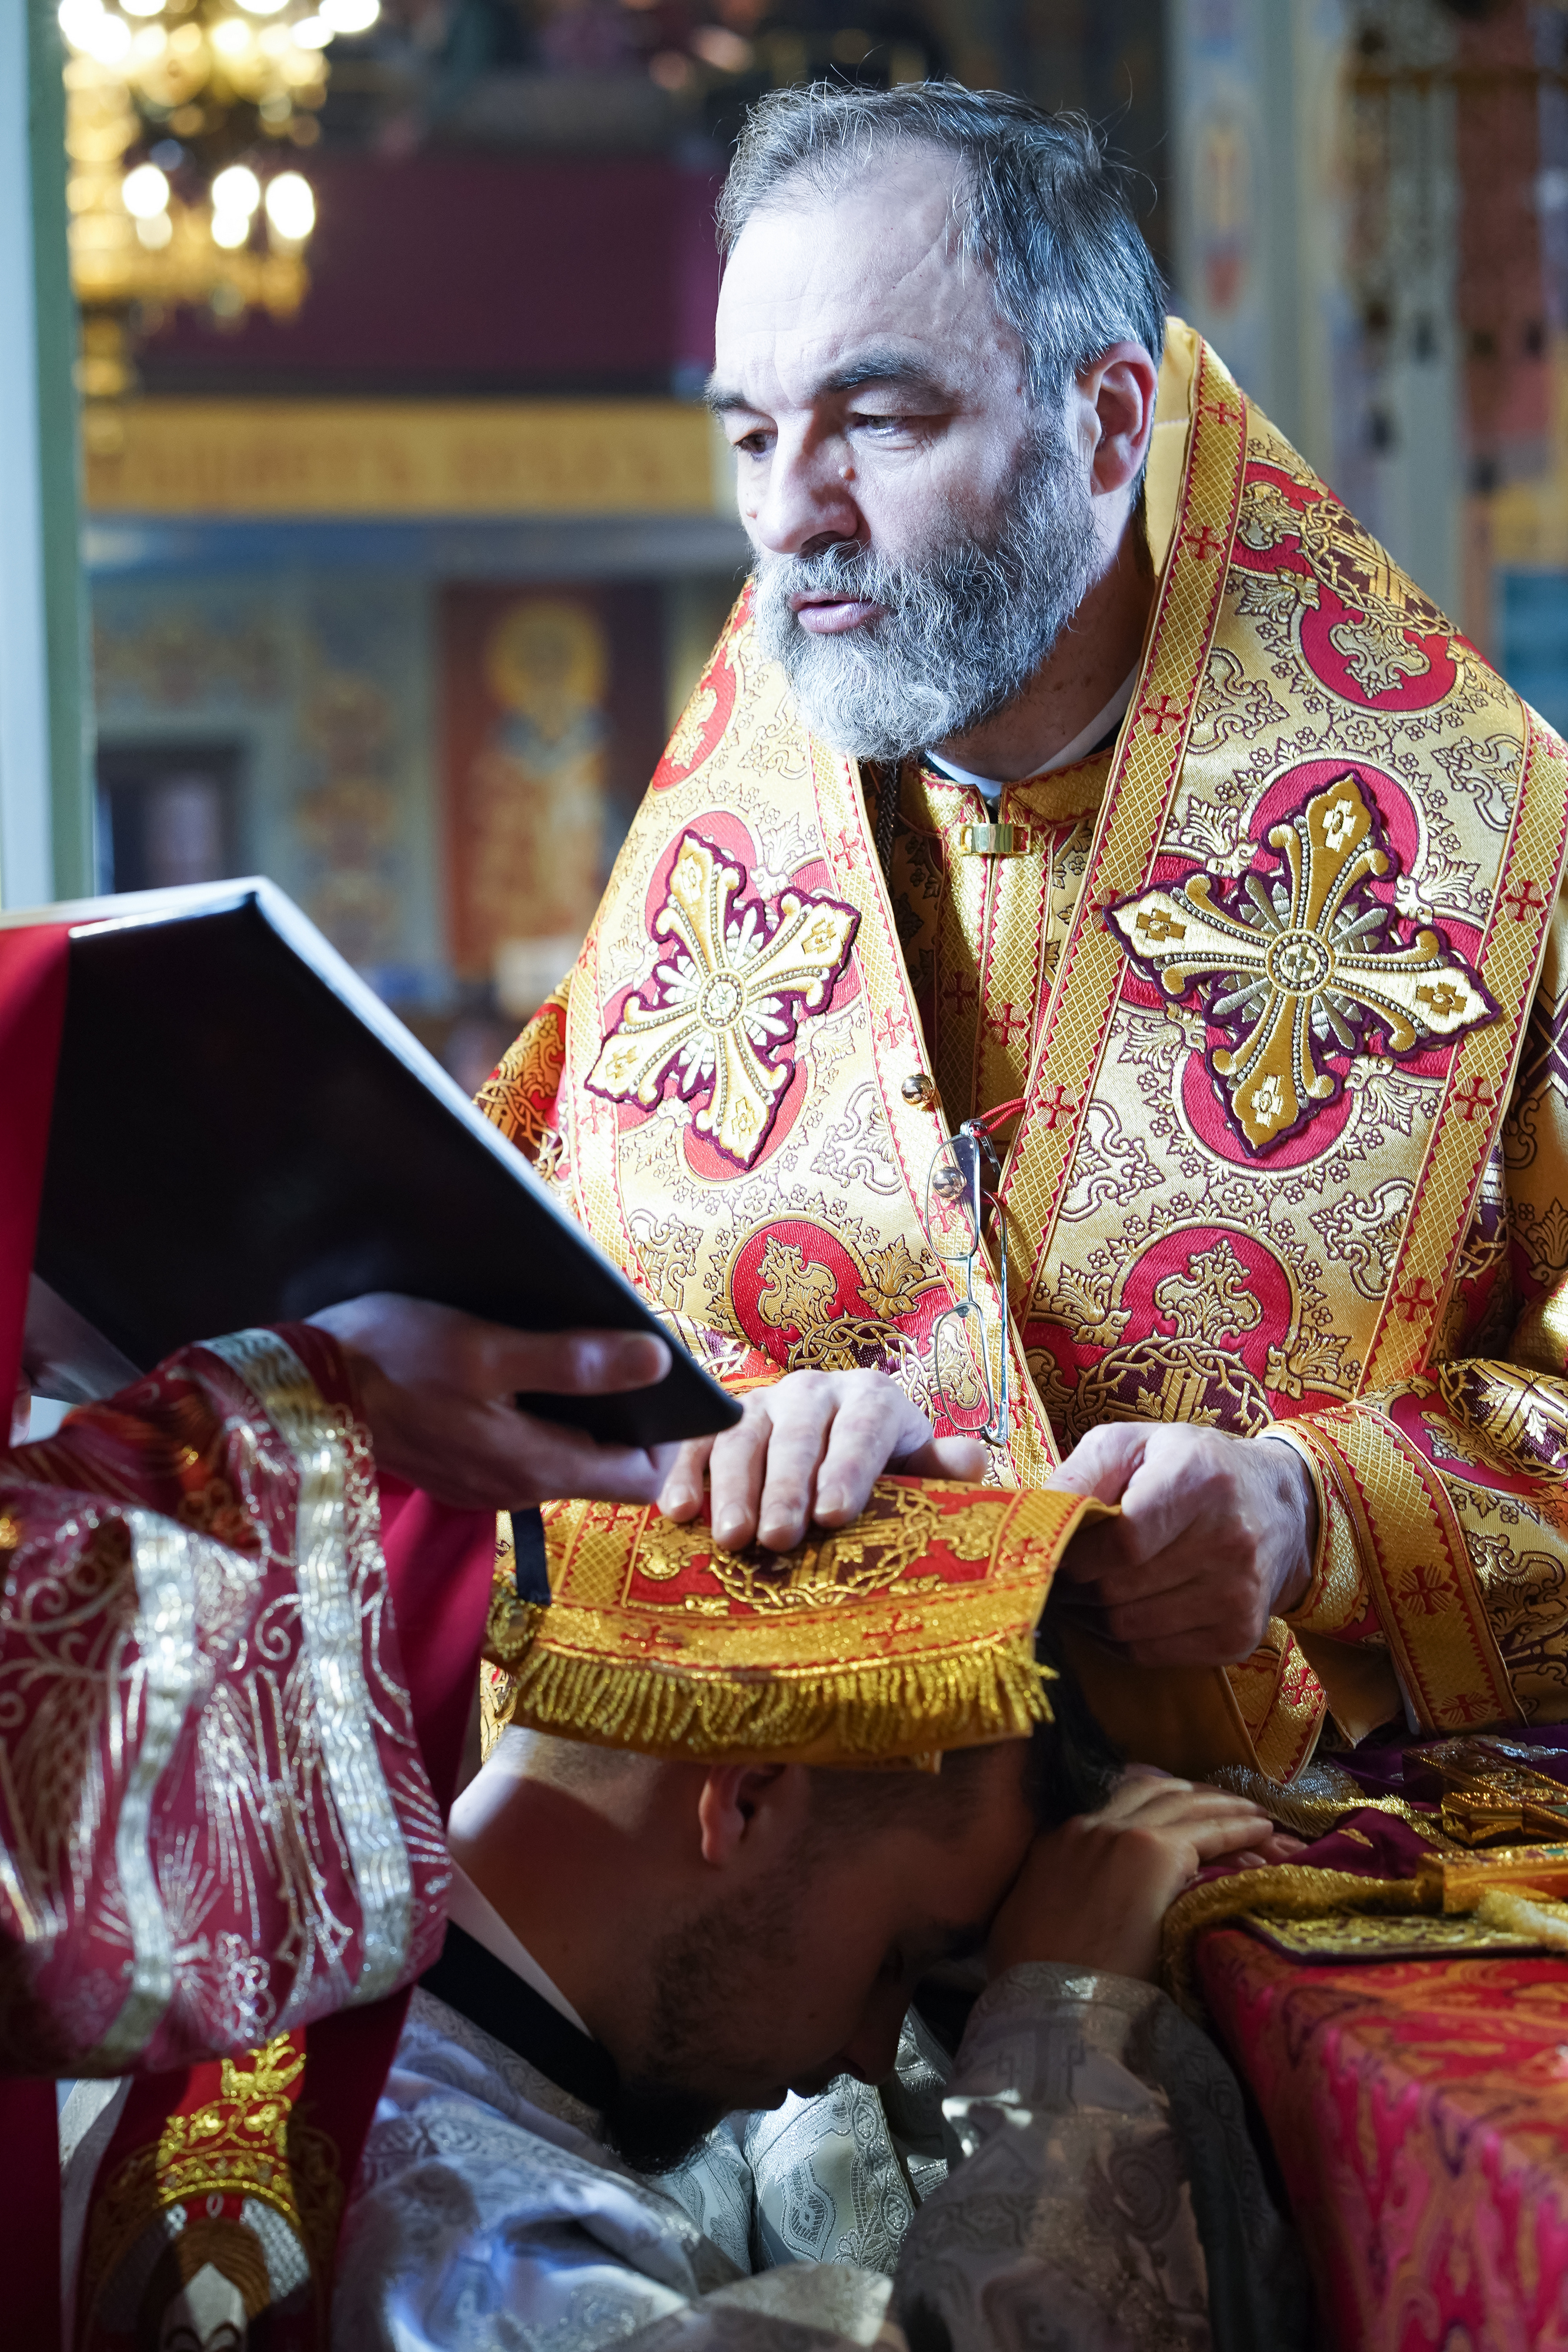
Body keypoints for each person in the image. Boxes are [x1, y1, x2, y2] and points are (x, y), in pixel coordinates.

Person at [481, 79, 1568, 1782]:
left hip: (1315, 1876)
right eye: (753, 436)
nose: (787, 517)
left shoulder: (1511, 857)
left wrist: (1315, 1512)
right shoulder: (709, 861)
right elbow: (529, 1389)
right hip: (803, 1903)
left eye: (878, 421)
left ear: (1106, 424)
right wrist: (725, 1444)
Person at [329, 1486, 1308, 2352]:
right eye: (897, 1959)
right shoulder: (451, 2237)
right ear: (745, 1799)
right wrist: (1066, 2032)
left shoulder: (386, 2007)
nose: (874, 2053)